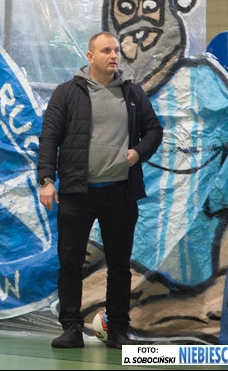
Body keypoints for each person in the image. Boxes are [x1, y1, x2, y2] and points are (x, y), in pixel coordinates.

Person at [37, 31, 163, 350]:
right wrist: (46, 180)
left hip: (120, 194)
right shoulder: (67, 93)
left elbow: (154, 130)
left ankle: (118, 329)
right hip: (77, 193)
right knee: (70, 263)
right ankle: (71, 328)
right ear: (90, 57)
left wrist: (138, 152)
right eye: (106, 50)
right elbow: (49, 137)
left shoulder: (132, 93)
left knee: (119, 266)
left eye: (116, 50)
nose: (114, 55)